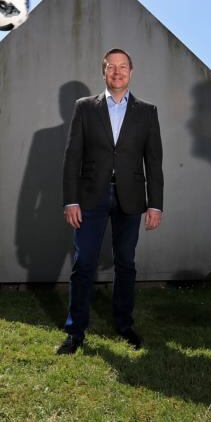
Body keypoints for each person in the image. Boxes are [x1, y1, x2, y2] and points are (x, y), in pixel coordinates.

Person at [57, 48, 164, 355]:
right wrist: (70, 200)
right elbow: (71, 157)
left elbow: (153, 162)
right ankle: (75, 332)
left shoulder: (147, 112)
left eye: (123, 67)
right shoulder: (85, 107)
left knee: (126, 264)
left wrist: (155, 204)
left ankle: (124, 325)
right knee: (83, 264)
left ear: (131, 72)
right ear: (103, 72)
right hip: (91, 197)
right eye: (111, 67)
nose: (117, 72)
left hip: (130, 198)